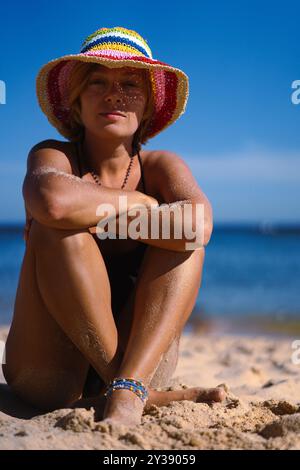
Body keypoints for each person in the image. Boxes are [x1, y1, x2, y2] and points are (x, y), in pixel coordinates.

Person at [2, 26, 225, 426]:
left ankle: (128, 389)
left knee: (187, 245)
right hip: (49, 372)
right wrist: (143, 206)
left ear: (149, 106)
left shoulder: (161, 167)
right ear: (75, 103)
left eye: (129, 84)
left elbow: (198, 226)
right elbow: (53, 201)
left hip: (141, 362)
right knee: (58, 230)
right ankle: (134, 392)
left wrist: (94, 210)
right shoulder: (55, 156)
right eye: (97, 82)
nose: (113, 94)